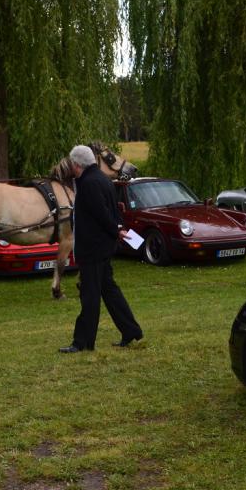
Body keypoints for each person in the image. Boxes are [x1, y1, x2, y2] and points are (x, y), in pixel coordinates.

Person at [60, 145, 143, 354]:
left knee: (89, 295)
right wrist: (119, 228)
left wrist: (116, 229)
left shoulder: (88, 183)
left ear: (76, 164)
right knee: (110, 291)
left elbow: (102, 213)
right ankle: (130, 330)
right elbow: (114, 211)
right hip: (103, 247)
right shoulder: (103, 180)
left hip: (93, 249)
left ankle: (82, 342)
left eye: (72, 163)